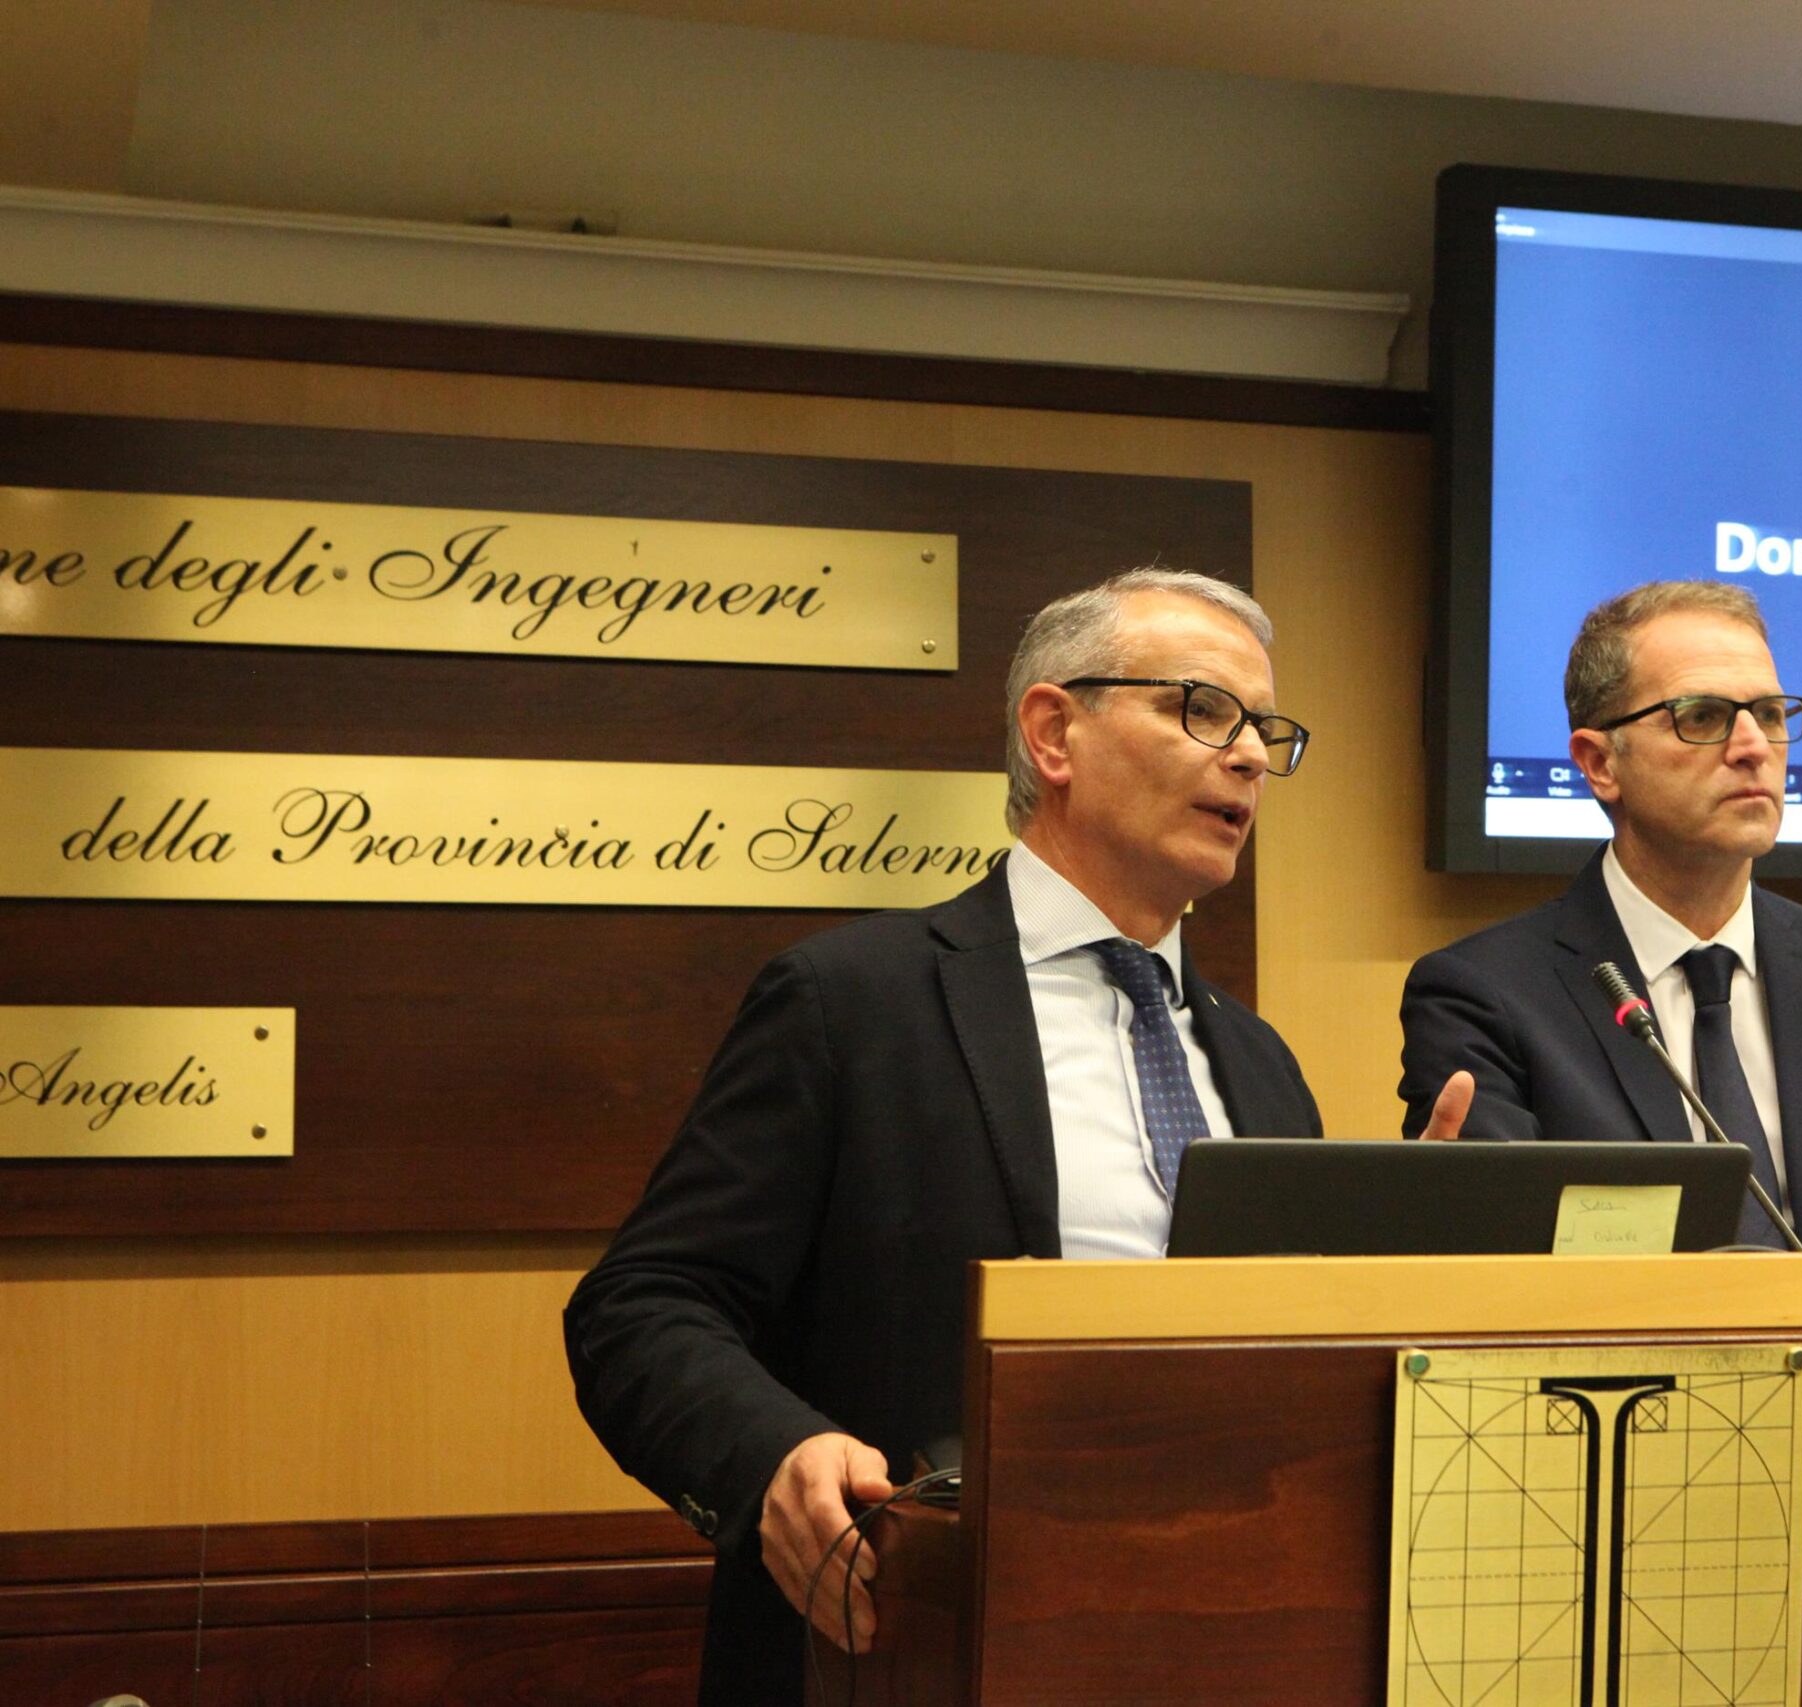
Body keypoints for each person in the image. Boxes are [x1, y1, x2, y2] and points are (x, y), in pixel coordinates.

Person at [565, 568, 1342, 1704]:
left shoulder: (1262, 1064)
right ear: (1054, 732)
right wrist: (775, 1454)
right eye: (1203, 709)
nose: (1248, 759)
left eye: (1264, 730)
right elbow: (641, 1306)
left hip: (1225, 1642)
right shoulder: (851, 1002)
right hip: (918, 1639)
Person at [1397, 580, 1802, 1252]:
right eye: (1702, 717)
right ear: (1599, 763)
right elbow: (1508, 1264)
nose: (1753, 746)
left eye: (1770, 714)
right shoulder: (1481, 996)